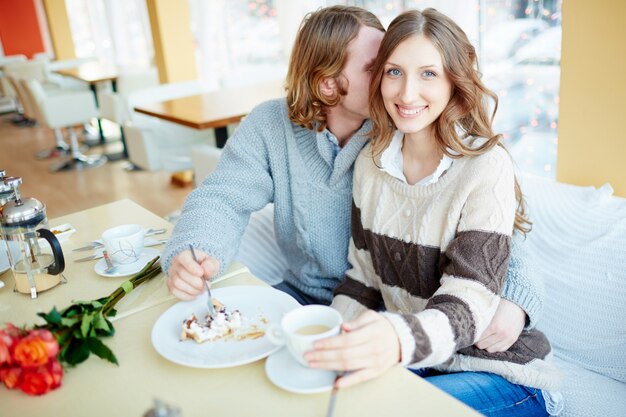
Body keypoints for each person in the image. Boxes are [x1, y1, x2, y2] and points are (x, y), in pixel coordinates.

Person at [161, 6, 542, 354]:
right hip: (304, 298)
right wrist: (194, 251)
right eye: (383, 68)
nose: (399, 84)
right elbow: (221, 198)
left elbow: (487, 222)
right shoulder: (270, 126)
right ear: (329, 84)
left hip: (384, 313)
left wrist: (516, 300)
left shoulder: (402, 129)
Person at [305, 9, 561, 417]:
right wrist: (329, 345)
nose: (407, 94)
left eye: (428, 74)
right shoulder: (371, 164)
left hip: (500, 373)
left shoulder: (485, 166)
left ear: (453, 82)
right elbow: (363, 279)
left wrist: (397, 338)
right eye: (394, 72)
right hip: (422, 363)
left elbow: (469, 300)